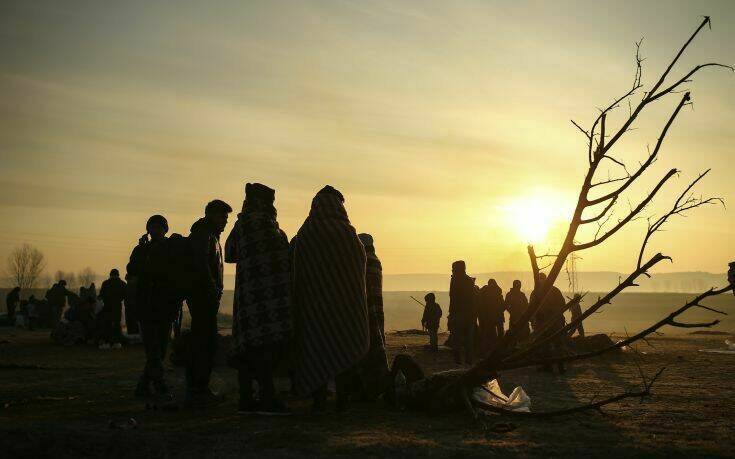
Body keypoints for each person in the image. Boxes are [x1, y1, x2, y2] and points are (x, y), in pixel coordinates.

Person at [291, 186, 369, 413]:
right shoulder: (348, 234)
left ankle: (318, 401)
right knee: (343, 350)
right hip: (345, 308)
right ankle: (342, 403)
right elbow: (359, 269)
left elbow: (299, 271)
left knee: (316, 352)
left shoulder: (306, 234)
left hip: (314, 308)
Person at [224, 183, 292, 415]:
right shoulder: (268, 226)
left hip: (246, 298)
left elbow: (230, 253)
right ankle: (267, 398)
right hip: (269, 300)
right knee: (265, 347)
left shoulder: (241, 225)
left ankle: (246, 399)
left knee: (247, 346)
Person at [127, 215, 182, 399]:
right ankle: (160, 386)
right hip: (147, 305)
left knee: (160, 349)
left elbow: (175, 275)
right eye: (153, 227)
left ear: (165, 229)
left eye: (159, 227)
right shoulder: (142, 250)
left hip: (165, 306)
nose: (156, 230)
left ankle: (143, 386)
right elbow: (132, 270)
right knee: (153, 350)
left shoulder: (171, 249)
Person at [186, 199, 232, 407]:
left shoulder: (209, 235)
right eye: (223, 216)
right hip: (202, 298)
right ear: (212, 215)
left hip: (205, 297)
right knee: (203, 343)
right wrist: (212, 287)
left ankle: (199, 387)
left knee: (205, 342)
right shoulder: (204, 235)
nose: (225, 221)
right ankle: (198, 388)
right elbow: (201, 264)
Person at [355, 233, 390, 400]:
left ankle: (368, 388)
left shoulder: (365, 262)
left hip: (367, 311)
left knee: (367, 347)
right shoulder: (375, 260)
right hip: (377, 309)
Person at [530, 273, 567, 373]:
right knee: (545, 346)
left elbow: (562, 304)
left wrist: (552, 311)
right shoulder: (538, 292)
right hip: (544, 324)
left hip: (553, 323)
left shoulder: (551, 291)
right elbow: (531, 309)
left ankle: (559, 366)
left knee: (556, 345)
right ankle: (550, 366)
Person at [448, 260, 477, 365]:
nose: (452, 270)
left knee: (457, 338)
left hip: (459, 313)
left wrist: (451, 314)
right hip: (469, 314)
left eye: (453, 268)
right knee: (468, 339)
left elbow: (453, 298)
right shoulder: (470, 281)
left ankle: (458, 360)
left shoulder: (455, 280)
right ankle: (468, 360)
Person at [98, 269, 127, 349]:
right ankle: (116, 342)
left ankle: (106, 342)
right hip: (117, 306)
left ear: (110, 275)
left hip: (107, 306)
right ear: (118, 275)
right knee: (117, 324)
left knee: (107, 324)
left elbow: (101, 295)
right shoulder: (122, 284)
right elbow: (125, 295)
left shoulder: (105, 283)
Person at [478, 279, 505, 355]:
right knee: (499, 334)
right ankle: (499, 349)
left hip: (489, 317)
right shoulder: (498, 293)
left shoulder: (485, 293)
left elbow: (482, 306)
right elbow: (503, 306)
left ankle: (487, 350)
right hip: (497, 317)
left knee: (488, 334)